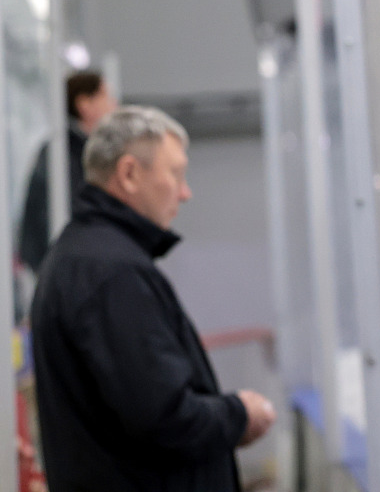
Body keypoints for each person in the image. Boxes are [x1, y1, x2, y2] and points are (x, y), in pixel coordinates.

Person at [31, 106, 275, 492]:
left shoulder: (86, 257)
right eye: (175, 174)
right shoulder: (112, 273)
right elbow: (164, 417)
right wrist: (239, 415)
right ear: (129, 174)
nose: (185, 192)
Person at [18, 70, 118, 272]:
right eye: (105, 96)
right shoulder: (62, 154)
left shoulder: (83, 152)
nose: (114, 104)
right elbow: (49, 220)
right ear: (84, 105)